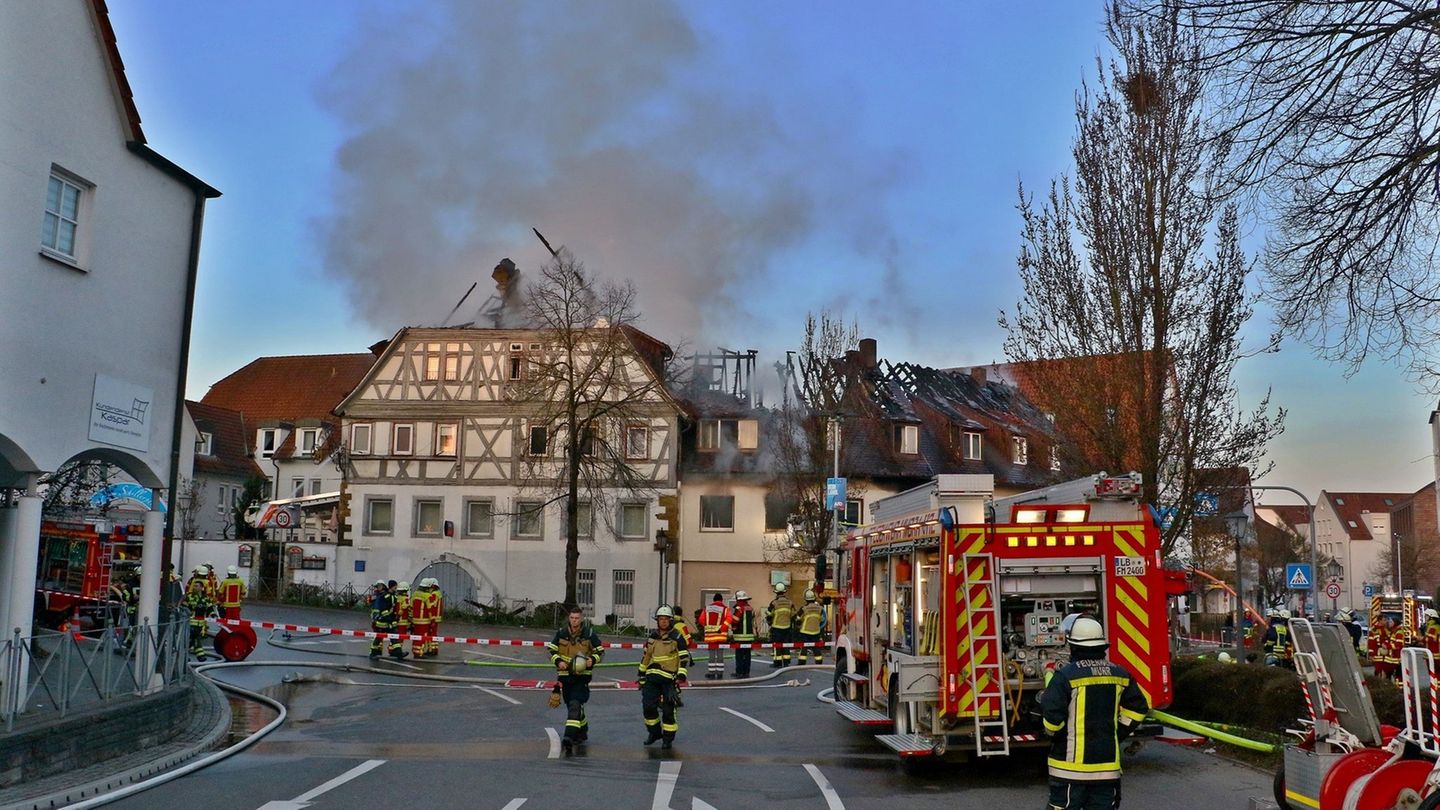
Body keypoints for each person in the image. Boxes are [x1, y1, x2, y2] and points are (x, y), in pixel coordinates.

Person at [1040, 617, 1150, 809]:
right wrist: (1117, 734)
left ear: (1073, 646)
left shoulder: (1065, 676)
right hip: (1107, 770)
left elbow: (1052, 720)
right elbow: (1138, 708)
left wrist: (1054, 735)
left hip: (1069, 771)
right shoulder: (1120, 674)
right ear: (1102, 646)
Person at [548, 606, 605, 755]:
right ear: (569, 618)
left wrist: (592, 660)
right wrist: (558, 661)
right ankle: (582, 730)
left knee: (574, 704)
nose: (574, 621)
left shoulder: (589, 634)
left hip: (582, 677)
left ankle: (568, 737)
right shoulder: (561, 633)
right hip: (566, 676)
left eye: (577, 618)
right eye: (572, 618)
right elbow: (551, 650)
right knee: (573, 706)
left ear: (581, 619)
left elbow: (600, 651)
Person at [638, 605, 690, 751]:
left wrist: (681, 674)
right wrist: (641, 675)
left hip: (669, 679)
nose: (663, 622)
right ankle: (654, 733)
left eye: (666, 619)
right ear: (657, 621)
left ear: (670, 620)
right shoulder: (652, 638)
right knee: (648, 708)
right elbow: (646, 657)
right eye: (661, 619)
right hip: (652, 678)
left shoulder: (677, 637)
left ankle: (667, 739)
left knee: (668, 711)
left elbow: (684, 657)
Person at [184, 565, 214, 659]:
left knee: (193, 640)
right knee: (193, 639)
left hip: (200, 624)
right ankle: (200, 656)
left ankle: (186, 655)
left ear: (202, 588)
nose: (194, 587)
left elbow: (209, 608)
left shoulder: (205, 599)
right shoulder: (190, 597)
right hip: (191, 623)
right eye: (194, 586)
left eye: (196, 586)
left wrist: (213, 615)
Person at [701, 593, 732, 679]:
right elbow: (729, 619)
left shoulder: (707, 608)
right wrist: (722, 628)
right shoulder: (725, 609)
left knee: (711, 655)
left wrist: (707, 626)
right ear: (721, 600)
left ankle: (711, 673)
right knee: (720, 655)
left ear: (713, 600)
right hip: (720, 636)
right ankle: (719, 673)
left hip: (709, 636)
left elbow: (701, 619)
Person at [766, 582, 796, 669]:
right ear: (784, 592)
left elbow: (769, 615)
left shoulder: (774, 603)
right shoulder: (790, 603)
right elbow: (793, 615)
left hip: (776, 628)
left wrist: (770, 624)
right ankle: (786, 662)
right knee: (785, 644)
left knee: (777, 645)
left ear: (776, 592)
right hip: (787, 627)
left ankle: (777, 662)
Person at [796, 588, 827, 665]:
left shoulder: (803, 609)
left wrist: (798, 626)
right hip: (816, 631)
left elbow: (798, 619)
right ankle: (819, 662)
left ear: (806, 599)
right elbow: (823, 619)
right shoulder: (820, 608)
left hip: (805, 631)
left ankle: (802, 662)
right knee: (816, 647)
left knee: (804, 647)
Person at [730, 591, 757, 678]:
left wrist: (733, 628)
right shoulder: (750, 608)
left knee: (739, 656)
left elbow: (735, 620)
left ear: (738, 599)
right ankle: (746, 672)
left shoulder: (739, 608)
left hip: (740, 636)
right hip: (749, 636)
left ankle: (739, 672)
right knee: (747, 655)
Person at [369, 580, 394, 659]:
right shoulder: (376, 595)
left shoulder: (384, 594)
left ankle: (378, 650)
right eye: (377, 586)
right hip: (376, 617)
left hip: (381, 617)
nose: (378, 588)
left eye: (379, 586)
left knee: (380, 635)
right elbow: (371, 604)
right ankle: (374, 651)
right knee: (377, 635)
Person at [411, 578, 434, 657]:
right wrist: (432, 620)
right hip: (424, 621)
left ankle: (415, 651)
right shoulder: (427, 596)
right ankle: (420, 653)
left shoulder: (414, 594)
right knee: (423, 636)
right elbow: (429, 609)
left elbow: (411, 607)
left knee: (416, 636)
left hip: (415, 620)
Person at [391, 581, 412, 659]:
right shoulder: (405, 599)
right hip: (402, 621)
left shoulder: (395, 597)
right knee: (401, 636)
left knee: (394, 635)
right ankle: (398, 652)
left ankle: (392, 649)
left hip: (395, 620)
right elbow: (404, 608)